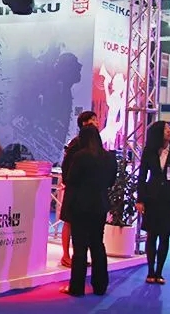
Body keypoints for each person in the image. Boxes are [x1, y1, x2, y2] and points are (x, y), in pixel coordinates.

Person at [60, 125, 118, 297]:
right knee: (97, 244)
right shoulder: (109, 157)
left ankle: (77, 287)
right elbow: (111, 181)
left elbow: (70, 179)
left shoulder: (80, 156)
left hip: (80, 205)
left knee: (80, 247)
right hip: (100, 205)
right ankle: (100, 285)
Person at [136, 120, 170, 285]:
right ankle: (150, 271)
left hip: (169, 198)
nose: (169, 131)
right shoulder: (149, 151)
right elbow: (142, 176)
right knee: (152, 235)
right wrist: (140, 199)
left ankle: (159, 272)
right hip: (152, 198)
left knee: (165, 235)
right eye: (165, 128)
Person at [59, 110, 99, 267]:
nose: (96, 122)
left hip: (87, 192)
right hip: (74, 189)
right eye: (93, 119)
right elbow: (66, 165)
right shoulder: (76, 143)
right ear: (85, 123)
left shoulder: (95, 144)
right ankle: (65, 255)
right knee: (68, 222)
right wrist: (68, 182)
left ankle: (79, 256)